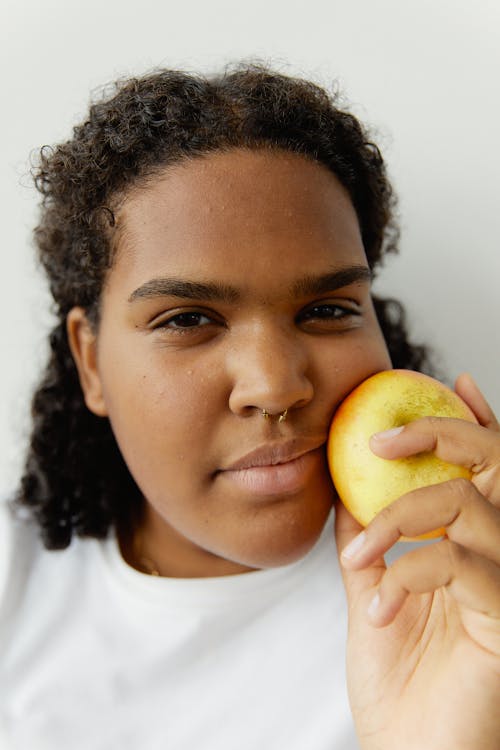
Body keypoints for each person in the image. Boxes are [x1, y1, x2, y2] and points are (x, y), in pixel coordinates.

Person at [0, 64, 498, 750]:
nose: (274, 386)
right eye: (186, 319)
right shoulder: (12, 585)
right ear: (90, 361)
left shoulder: (473, 604)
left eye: (327, 309)